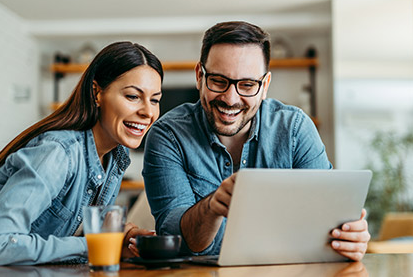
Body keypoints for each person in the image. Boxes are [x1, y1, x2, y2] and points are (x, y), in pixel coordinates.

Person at [142, 21, 370, 261]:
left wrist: (349, 239)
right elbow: (176, 241)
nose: (231, 99)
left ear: (265, 86)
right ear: (200, 75)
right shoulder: (167, 135)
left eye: (247, 85)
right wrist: (211, 208)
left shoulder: (294, 128)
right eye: (219, 81)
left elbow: (326, 221)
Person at [0, 41, 161, 274]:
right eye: (132, 96)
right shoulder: (57, 153)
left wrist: (122, 236)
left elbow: (77, 232)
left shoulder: (115, 160)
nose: (148, 112)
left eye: (155, 100)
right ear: (96, 93)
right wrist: (97, 245)